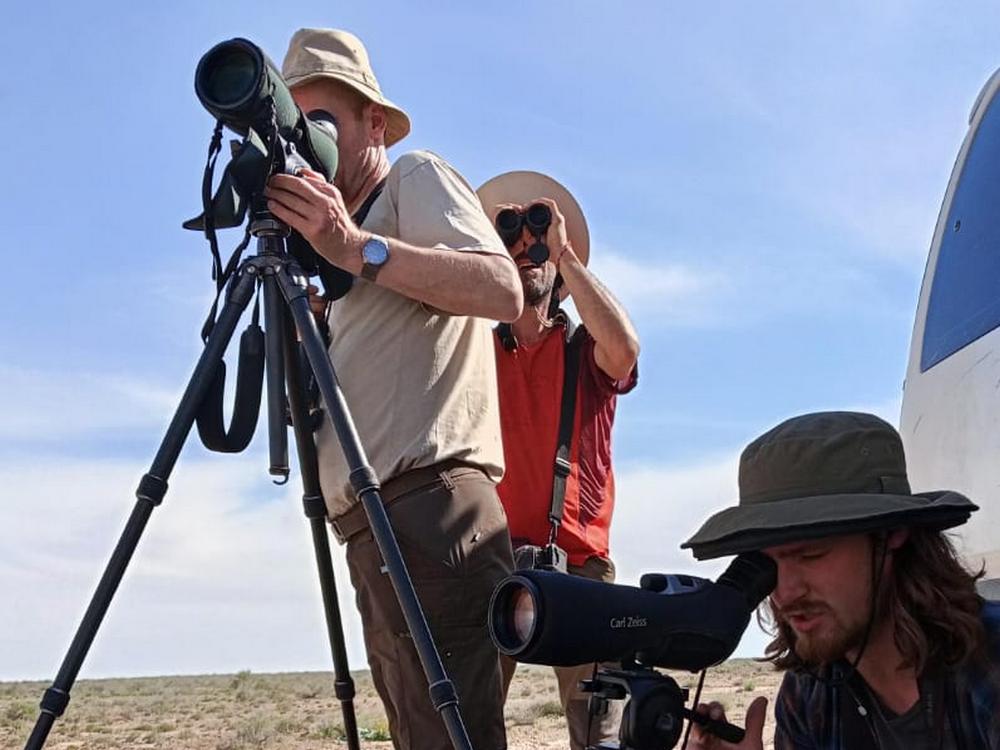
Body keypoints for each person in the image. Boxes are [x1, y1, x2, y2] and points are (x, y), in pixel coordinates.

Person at [264, 28, 524, 750]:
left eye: (322, 124)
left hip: (430, 512)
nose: (308, 147)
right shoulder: (332, 256)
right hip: (373, 528)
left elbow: (501, 288)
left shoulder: (412, 179)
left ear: (374, 123)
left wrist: (356, 249)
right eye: (295, 130)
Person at [681, 411, 1000, 749]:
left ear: (892, 533)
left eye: (811, 555)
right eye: (766, 565)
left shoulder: (988, 665)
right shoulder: (810, 693)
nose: (785, 592)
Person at [477, 171, 640, 750]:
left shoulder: (584, 352)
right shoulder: (475, 352)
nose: (526, 247)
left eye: (536, 234)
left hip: (580, 564)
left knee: (599, 734)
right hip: (490, 559)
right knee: (465, 722)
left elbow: (625, 349)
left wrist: (565, 255)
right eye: (511, 236)